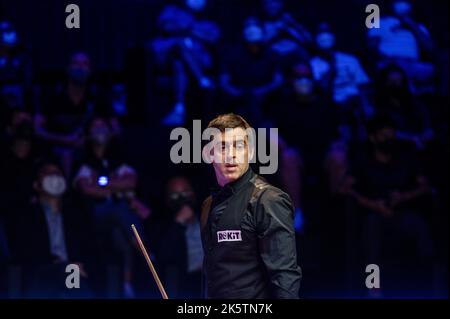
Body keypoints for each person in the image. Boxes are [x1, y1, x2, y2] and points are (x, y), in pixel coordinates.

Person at [200, 113, 301, 298]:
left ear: (251, 152)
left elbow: (285, 277)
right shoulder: (208, 205)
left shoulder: (268, 200)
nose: (231, 154)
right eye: (222, 147)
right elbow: (212, 276)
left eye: (239, 146)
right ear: (208, 155)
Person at [73, 116, 149, 298]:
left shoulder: (120, 158)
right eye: (95, 127)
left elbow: (131, 182)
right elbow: (85, 188)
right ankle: (146, 252)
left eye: (103, 126)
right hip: (91, 216)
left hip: (116, 220)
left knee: (120, 235)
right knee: (119, 209)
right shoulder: (82, 159)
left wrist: (101, 184)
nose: (99, 130)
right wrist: (115, 187)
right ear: (88, 133)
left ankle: (126, 285)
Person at [13, 159, 91, 298]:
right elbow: (23, 250)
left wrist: (74, 264)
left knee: (74, 277)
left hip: (73, 271)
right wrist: (59, 264)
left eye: (57, 173)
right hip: (41, 272)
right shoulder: (26, 214)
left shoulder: (77, 214)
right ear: (37, 184)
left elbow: (87, 248)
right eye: (47, 173)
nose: (53, 177)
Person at [34, 51, 118, 177]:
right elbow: (37, 129)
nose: (80, 68)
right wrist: (64, 140)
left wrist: (94, 139)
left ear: (90, 70)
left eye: (84, 64)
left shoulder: (99, 97)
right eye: (76, 63)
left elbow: (116, 129)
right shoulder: (52, 96)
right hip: (54, 153)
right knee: (65, 155)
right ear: (68, 68)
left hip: (92, 152)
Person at [220, 17, 282, 127]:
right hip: (238, 101)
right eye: (248, 27)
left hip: (267, 102)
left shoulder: (272, 54)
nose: (252, 31)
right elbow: (224, 80)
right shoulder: (232, 54)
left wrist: (262, 91)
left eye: (256, 27)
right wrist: (237, 93)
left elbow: (278, 79)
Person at [154, 176, 203, 299]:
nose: (182, 198)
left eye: (186, 192)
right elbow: (162, 256)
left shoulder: (209, 217)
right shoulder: (162, 226)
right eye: (175, 195)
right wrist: (178, 223)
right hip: (183, 284)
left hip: (211, 280)